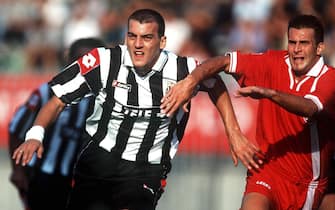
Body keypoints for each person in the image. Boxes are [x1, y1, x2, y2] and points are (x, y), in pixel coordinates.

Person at [12, 9, 262, 210]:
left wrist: (234, 133)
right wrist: (36, 135)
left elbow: (215, 83)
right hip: (99, 159)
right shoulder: (104, 61)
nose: (138, 45)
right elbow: (57, 98)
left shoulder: (182, 70)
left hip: (146, 167)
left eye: (146, 37)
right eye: (132, 36)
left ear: (162, 41)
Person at [161, 14, 335, 210]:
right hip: (266, 169)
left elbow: (310, 107)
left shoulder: (330, 79)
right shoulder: (273, 62)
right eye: (292, 42)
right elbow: (223, 62)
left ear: (320, 47)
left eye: (304, 43)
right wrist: (190, 82)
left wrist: (271, 93)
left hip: (305, 182)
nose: (296, 49)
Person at [8, 37, 106, 210]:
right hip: (44, 175)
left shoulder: (111, 98)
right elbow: (16, 128)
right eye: (81, 60)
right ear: (69, 60)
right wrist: (17, 171)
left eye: (93, 63)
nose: (87, 69)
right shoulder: (46, 92)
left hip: (87, 180)